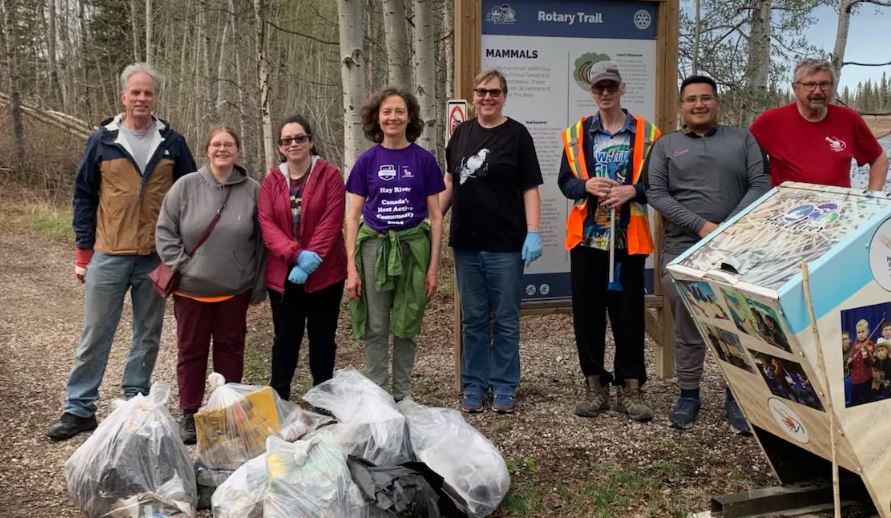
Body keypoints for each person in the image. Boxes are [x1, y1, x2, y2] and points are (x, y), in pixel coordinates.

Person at [48, 63, 197, 441]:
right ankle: (79, 407)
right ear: (123, 96)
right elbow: (83, 195)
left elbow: (191, 196)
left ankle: (135, 401)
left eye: (148, 93)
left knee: (148, 333)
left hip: (156, 256)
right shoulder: (102, 141)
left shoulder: (172, 143)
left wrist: (180, 249)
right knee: (96, 332)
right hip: (109, 253)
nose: (142, 99)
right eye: (136, 92)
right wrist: (84, 250)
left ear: (155, 98)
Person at [646, 75, 770, 432]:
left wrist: (727, 228)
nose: (699, 105)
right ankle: (688, 394)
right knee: (687, 324)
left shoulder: (742, 138)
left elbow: (760, 183)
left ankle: (737, 396)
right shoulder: (666, 145)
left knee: (737, 322)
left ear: (717, 102)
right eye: (691, 100)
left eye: (706, 98)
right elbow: (656, 192)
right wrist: (701, 227)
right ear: (681, 106)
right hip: (684, 248)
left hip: (737, 247)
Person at [557, 60, 660, 422]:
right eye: (599, 88)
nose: (605, 93)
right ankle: (594, 383)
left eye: (610, 87)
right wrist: (585, 186)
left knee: (629, 313)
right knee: (587, 314)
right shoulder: (577, 134)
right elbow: (565, 182)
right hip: (587, 239)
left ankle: (631, 385)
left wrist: (634, 190)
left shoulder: (648, 134)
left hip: (627, 238)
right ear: (592, 92)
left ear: (622, 89)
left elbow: (658, 186)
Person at [440, 69, 543, 414]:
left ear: (504, 95)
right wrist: (434, 217)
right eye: (481, 91)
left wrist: (533, 231)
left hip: (506, 245)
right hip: (467, 244)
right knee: (472, 319)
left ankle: (504, 386)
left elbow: (530, 188)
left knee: (505, 319)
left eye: (494, 92)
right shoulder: (462, 134)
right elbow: (451, 181)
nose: (487, 97)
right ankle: (473, 385)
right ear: (473, 95)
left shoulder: (517, 135)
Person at [155, 126, 265, 444]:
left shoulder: (252, 189)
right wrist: (183, 265)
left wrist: (257, 281)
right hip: (190, 290)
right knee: (191, 351)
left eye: (228, 144)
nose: (222, 149)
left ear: (238, 150)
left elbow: (261, 240)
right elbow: (165, 230)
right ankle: (190, 413)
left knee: (231, 349)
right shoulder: (185, 186)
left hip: (234, 289)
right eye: (216, 144)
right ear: (207, 150)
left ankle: (227, 410)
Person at [345, 87, 444, 402]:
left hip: (413, 247)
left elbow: (436, 217)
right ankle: (377, 394)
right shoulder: (367, 162)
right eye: (387, 111)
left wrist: (432, 268)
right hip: (374, 247)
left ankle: (402, 394)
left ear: (410, 117)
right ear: (377, 117)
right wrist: (351, 267)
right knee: (376, 325)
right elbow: (352, 217)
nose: (393, 117)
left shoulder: (424, 160)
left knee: (407, 322)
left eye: (399, 111)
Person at [259, 115, 347, 401]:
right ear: (280, 147)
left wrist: (312, 259)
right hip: (284, 276)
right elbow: (267, 225)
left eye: (300, 138)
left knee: (323, 340)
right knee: (285, 339)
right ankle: (279, 397)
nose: (294, 144)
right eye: (287, 140)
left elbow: (332, 220)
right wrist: (296, 256)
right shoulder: (272, 180)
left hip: (325, 275)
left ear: (310, 141)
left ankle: (323, 398)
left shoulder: (329, 174)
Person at [751, 57, 888, 189]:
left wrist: (870, 198)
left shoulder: (849, 119)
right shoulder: (770, 121)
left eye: (824, 84)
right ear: (795, 88)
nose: (818, 91)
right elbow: (742, 161)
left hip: (837, 208)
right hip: (787, 208)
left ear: (832, 86)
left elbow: (879, 160)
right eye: (810, 84)